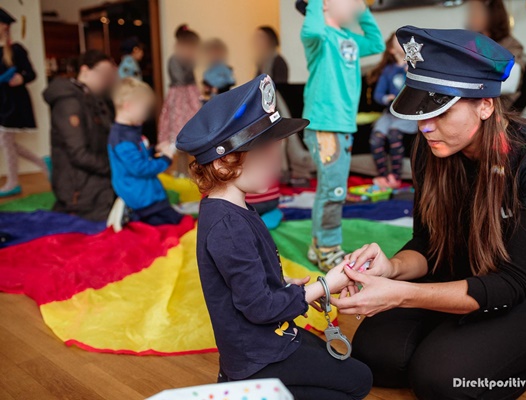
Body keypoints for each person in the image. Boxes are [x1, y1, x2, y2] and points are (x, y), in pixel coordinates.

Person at [331, 26, 526, 399]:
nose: (425, 126)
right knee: (375, 357)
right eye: (420, 110)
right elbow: (428, 244)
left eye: (441, 111)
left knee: (443, 381)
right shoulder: (431, 147)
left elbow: (512, 282)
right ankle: (457, 336)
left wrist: (399, 295)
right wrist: (391, 269)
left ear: (485, 104)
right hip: (460, 270)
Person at [176, 74, 373, 400]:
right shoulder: (227, 226)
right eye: (266, 151)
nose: (277, 162)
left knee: (355, 376)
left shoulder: (232, 210)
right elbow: (258, 307)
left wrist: (288, 288)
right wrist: (322, 286)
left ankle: (241, 385)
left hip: (271, 339)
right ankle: (244, 388)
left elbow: (251, 282)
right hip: (259, 355)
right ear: (226, 163)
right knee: (357, 384)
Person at [298, 0, 384, 271]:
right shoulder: (320, 37)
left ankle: (318, 244)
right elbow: (310, 31)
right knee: (334, 189)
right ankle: (328, 247)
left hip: (343, 125)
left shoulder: (349, 39)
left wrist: (363, 10)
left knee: (333, 187)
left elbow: (377, 43)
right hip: (324, 124)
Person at [44, 50, 116, 221]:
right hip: (78, 185)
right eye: (103, 74)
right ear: (84, 70)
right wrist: (114, 167)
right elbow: (79, 154)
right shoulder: (69, 102)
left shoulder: (94, 98)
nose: (106, 81)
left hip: (94, 172)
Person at [108, 77, 182, 226]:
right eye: (144, 109)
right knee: (170, 223)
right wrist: (165, 160)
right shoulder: (122, 139)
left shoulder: (128, 133)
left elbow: (138, 156)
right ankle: (130, 217)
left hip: (145, 192)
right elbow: (140, 168)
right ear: (129, 106)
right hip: (141, 196)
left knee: (173, 219)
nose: (146, 115)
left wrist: (153, 150)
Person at [0, 8, 49, 197]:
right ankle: (41, 162)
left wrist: (21, 78)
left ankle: (13, 182)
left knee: (6, 140)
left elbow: (32, 73)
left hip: (14, 103)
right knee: (7, 142)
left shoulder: (15, 50)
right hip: (1, 102)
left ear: (4, 26)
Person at [367, 32, 418, 189]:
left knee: (394, 134)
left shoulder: (414, 67)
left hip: (408, 115)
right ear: (391, 50)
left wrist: (410, 70)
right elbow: (378, 95)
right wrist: (385, 98)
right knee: (376, 138)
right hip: (390, 114)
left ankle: (395, 177)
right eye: (398, 41)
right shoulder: (388, 71)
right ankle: (383, 176)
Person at [158, 24, 201, 176]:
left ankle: (191, 173)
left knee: (194, 131)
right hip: (179, 98)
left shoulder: (188, 60)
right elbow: (181, 79)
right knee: (179, 132)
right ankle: (181, 172)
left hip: (190, 94)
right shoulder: (174, 60)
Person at [467, 0, 524, 108]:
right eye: (471, 12)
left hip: (499, 109)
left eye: (476, 11)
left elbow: (510, 83)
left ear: (491, 13)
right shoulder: (472, 42)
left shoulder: (511, 45)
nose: (471, 17)